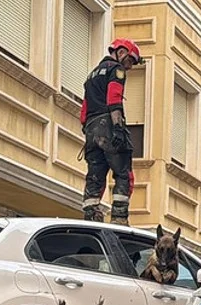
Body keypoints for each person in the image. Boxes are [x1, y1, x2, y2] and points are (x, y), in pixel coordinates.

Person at [79, 38, 143, 225]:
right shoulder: (117, 70)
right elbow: (114, 98)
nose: (129, 67)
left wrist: (89, 133)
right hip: (107, 123)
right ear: (121, 52)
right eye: (130, 61)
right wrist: (117, 127)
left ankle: (91, 215)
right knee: (123, 172)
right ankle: (119, 219)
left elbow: (84, 110)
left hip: (91, 130)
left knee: (95, 174)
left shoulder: (91, 76)